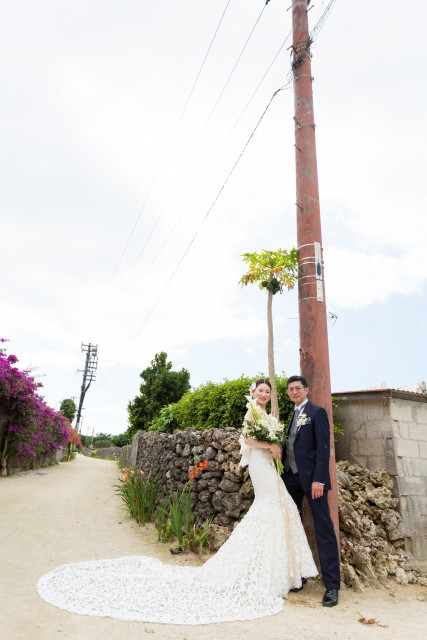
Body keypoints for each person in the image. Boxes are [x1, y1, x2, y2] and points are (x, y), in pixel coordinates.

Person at [37, 378, 317, 625]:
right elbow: (247, 438)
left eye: (268, 391)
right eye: (261, 390)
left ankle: (276, 568)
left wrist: (273, 445)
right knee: (272, 505)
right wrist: (270, 445)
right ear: (254, 392)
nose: (264, 394)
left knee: (279, 506)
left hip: (267, 463)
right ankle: (266, 567)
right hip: (258, 461)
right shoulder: (252, 410)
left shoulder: (267, 413)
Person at [281, 375, 341, 607]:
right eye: (291, 389)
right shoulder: (292, 416)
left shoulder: (316, 413)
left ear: (307, 390)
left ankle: (333, 586)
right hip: (291, 480)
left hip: (313, 482)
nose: (294, 392)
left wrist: (319, 480)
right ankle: (299, 578)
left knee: (323, 529)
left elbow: (324, 448)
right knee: (293, 529)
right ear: (288, 393)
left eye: (298, 388)